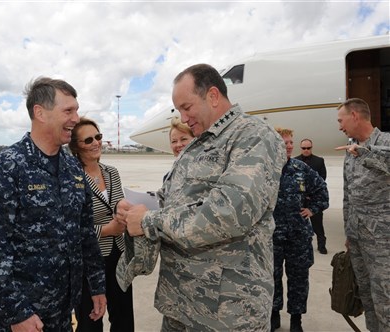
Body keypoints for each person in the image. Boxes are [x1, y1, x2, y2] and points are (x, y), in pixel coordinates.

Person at [116, 63, 287, 331]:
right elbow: (174, 198)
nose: (183, 118)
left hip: (227, 310)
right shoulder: (198, 143)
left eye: (187, 107)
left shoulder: (253, 136)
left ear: (213, 96)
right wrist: (138, 208)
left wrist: (149, 221)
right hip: (180, 302)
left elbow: (230, 212)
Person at [0, 77, 107, 332]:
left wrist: (97, 286)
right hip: (16, 321)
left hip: (61, 317)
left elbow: (85, 235)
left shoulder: (73, 170)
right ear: (40, 113)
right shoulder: (6, 169)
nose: (76, 118)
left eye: (76, 110)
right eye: (68, 111)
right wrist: (17, 313)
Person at [68, 117, 134, 332]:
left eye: (98, 137)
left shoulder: (111, 172)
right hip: (89, 260)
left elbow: (115, 205)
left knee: (124, 318)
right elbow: (71, 226)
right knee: (90, 322)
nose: (96, 142)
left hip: (119, 255)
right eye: (88, 140)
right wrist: (106, 230)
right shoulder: (71, 177)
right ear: (76, 147)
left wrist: (123, 211)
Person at [335, 98, 390, 332]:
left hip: (382, 241)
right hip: (357, 238)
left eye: (341, 120)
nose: (339, 126)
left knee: (385, 299)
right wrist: (348, 230)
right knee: (367, 297)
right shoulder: (350, 148)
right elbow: (348, 194)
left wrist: (364, 153)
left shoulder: (385, 142)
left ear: (355, 115)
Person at [271, 128, 329, 332]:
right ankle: (273, 315)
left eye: (290, 143)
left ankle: (296, 319)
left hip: (298, 237)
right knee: (272, 278)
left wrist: (312, 209)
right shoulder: (264, 170)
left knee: (298, 280)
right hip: (272, 238)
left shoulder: (301, 168)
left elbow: (322, 191)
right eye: (284, 142)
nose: (288, 146)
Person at [294, 138, 329, 254]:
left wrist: (311, 194)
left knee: (318, 224)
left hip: (314, 199)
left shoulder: (319, 161)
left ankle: (321, 245)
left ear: (311, 148)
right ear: (301, 148)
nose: (306, 150)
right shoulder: (295, 161)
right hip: (300, 199)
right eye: (304, 148)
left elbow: (322, 178)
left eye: (308, 148)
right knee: (298, 224)